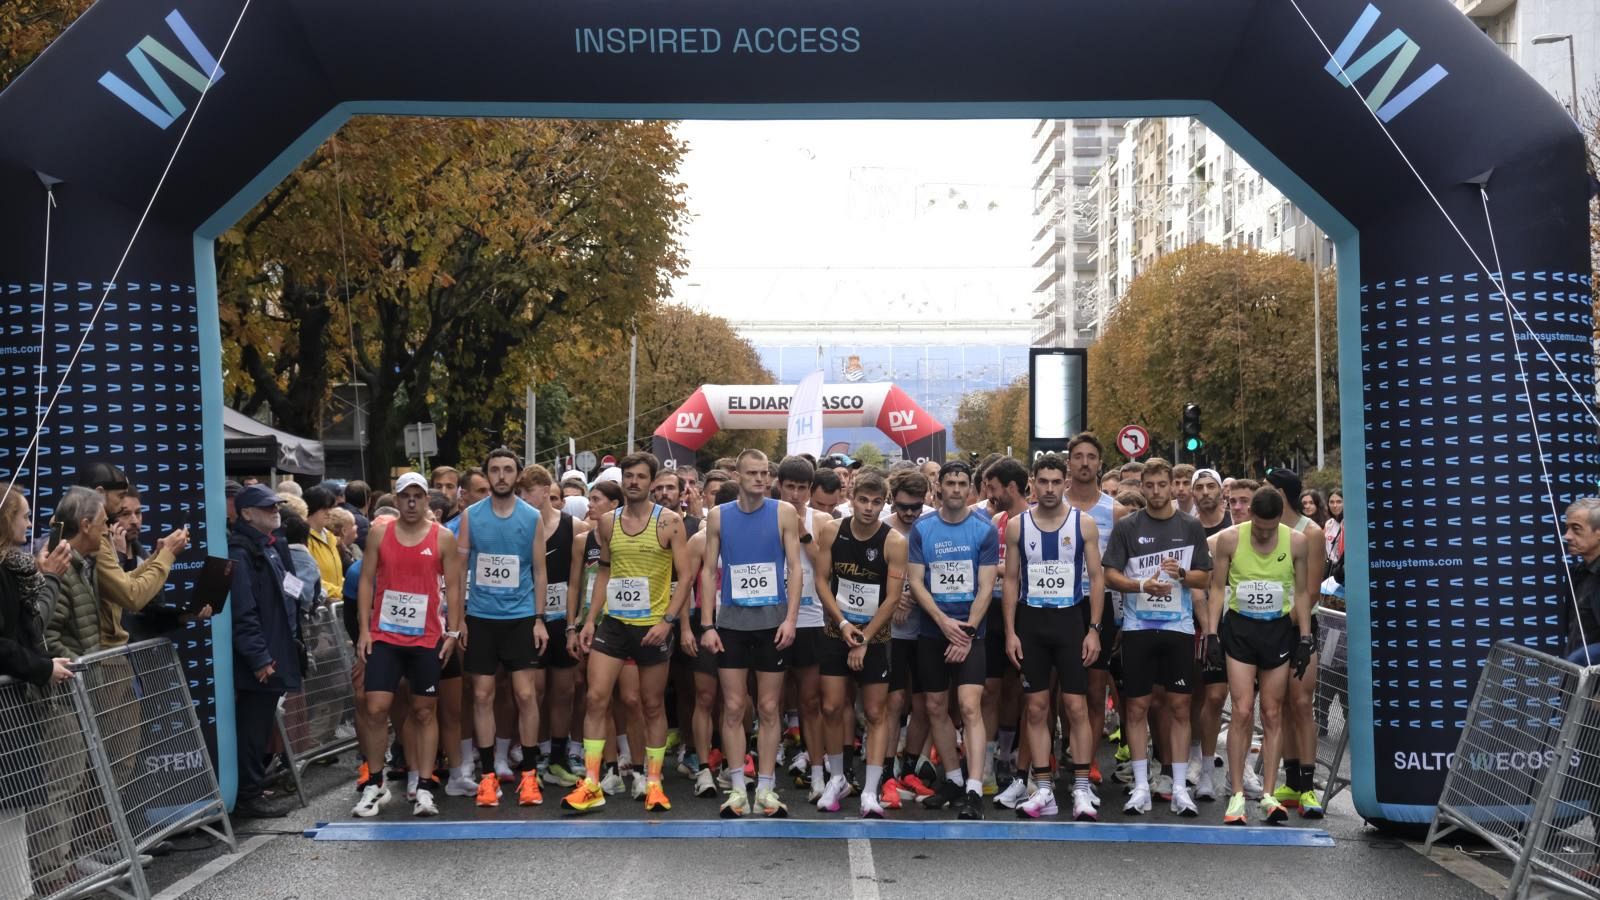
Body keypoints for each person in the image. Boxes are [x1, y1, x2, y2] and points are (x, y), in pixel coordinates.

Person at [565, 452, 691, 814]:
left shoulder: (669, 522)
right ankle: (591, 782)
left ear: (652, 482)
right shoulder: (607, 522)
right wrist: (590, 620)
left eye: (640, 477)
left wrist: (667, 621)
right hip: (615, 624)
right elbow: (604, 571)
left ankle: (653, 782)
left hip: (652, 627)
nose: (633, 482)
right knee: (596, 698)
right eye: (628, 477)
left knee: (651, 705)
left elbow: (682, 577)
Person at [1100, 458, 1211, 818]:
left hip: (1178, 628)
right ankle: (1141, 786)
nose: (1157, 491)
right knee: (1136, 706)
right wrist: (1141, 585)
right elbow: (1110, 575)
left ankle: (1178, 786)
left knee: (1179, 706)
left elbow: (1204, 579)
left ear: (1172, 486)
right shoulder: (1128, 527)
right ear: (1143, 487)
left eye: (1163, 485)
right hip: (1138, 629)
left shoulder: (1190, 526)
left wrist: (1182, 573)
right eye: (1150, 486)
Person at [700, 449, 805, 818]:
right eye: (753, 473)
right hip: (731, 624)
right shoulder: (718, 516)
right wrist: (708, 624)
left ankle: (766, 789)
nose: (760, 479)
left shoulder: (784, 513)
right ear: (738, 476)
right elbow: (708, 571)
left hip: (772, 623)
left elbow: (795, 568)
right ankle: (737, 789)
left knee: (770, 706)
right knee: (732, 706)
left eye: (765, 473)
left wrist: (791, 619)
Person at [1002, 452, 1105, 821]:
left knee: (1076, 707)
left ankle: (1080, 788)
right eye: (1041, 482)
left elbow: (1096, 578)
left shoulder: (1084, 524)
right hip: (1032, 624)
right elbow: (1011, 580)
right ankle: (1043, 788)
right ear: (1032, 482)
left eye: (1054, 482)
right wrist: (1011, 632)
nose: (1048, 489)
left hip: (1069, 622)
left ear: (1065, 483)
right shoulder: (1017, 526)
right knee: (1036, 708)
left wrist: (1094, 629)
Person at [354, 473, 464, 817]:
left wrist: (454, 633)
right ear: (397, 500)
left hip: (425, 637)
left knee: (423, 711)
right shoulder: (379, 532)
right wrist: (364, 630)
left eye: (418, 496)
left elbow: (456, 587)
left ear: (426, 501)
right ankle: (375, 782)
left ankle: (426, 786)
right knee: (375, 708)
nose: (412, 502)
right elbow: (367, 580)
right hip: (385, 636)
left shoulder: (443, 538)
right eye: (406, 496)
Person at [1203, 486, 1314, 824]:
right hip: (1240, 630)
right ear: (1250, 515)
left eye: (1271, 527)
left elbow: (1303, 591)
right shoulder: (1230, 539)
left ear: (1281, 518)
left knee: (1272, 712)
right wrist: (1210, 634)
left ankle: (1268, 794)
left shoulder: (1296, 541)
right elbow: (1218, 588)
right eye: (1259, 526)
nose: (1264, 533)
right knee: (1240, 709)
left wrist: (1305, 638)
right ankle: (1236, 794)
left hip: (1277, 631)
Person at [456, 450, 550, 807]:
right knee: (481, 695)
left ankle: (528, 775)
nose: (501, 476)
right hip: (481, 616)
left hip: (521, 616)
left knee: (525, 695)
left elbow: (540, 571)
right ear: (487, 475)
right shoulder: (470, 516)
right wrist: (459, 619)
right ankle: (487, 778)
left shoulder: (531, 517)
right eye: (494, 470)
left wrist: (539, 619)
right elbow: (460, 568)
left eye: (508, 469)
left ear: (518, 475)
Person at [909, 460, 999, 821]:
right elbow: (916, 581)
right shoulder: (922, 528)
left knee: (969, 706)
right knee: (934, 706)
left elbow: (986, 585)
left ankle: (975, 789)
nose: (958, 489)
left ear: (970, 489)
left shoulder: (984, 528)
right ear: (939, 489)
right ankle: (952, 779)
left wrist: (967, 631)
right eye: (951, 483)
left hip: (971, 631)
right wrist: (942, 621)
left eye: (963, 483)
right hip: (933, 630)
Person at [813, 472, 906, 818]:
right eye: (863, 501)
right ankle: (837, 777)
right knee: (832, 707)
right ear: (851, 498)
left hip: (875, 637)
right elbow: (822, 581)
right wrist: (843, 623)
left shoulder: (893, 541)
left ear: (885, 504)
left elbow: (893, 598)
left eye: (876, 502)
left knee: (875, 712)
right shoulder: (831, 531)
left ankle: (870, 789)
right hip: (838, 630)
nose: (869, 508)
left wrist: (864, 638)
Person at [228, 485, 305, 819]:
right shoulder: (241, 552)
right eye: (267, 507)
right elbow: (243, 612)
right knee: (253, 728)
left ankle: (253, 789)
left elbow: (292, 589)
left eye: (276, 505)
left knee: (261, 727)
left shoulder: (272, 546)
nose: (276, 510)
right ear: (247, 514)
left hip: (277, 650)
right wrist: (259, 657)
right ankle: (248, 793)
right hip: (262, 659)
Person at [1263, 468, 1327, 816]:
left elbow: (1312, 589)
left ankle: (1308, 785)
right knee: (1278, 704)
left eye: (1267, 488)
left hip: (1298, 624)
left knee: (1301, 702)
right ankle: (1289, 779)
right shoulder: (1264, 528)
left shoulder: (1311, 532)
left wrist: (1282, 620)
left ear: (1282, 492)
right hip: (1266, 626)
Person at [881, 469, 936, 808]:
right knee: (894, 701)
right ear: (893, 500)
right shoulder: (884, 527)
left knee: (927, 702)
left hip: (929, 626)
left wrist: (913, 594)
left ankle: (912, 765)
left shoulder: (933, 523)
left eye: (917, 507)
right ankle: (887, 769)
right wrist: (895, 596)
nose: (911, 514)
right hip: (893, 631)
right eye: (904, 507)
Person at [775, 455, 828, 802]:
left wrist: (804, 530)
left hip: (812, 618)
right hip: (772, 617)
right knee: (769, 699)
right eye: (790, 487)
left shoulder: (822, 519)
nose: (795, 494)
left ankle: (819, 770)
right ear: (778, 485)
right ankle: (768, 765)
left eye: (802, 488)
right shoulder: (764, 516)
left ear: (810, 490)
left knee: (810, 700)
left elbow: (826, 565)